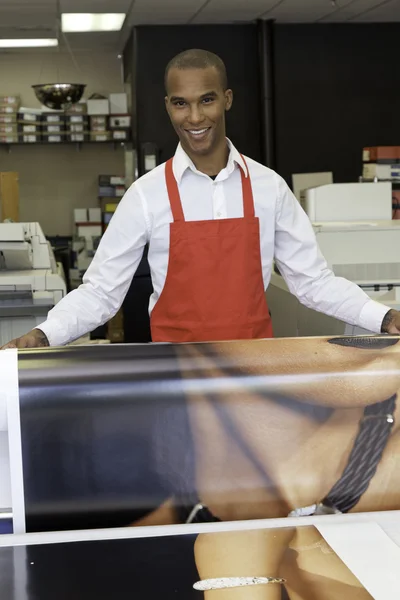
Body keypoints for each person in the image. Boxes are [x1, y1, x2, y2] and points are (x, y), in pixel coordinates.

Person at [2, 49, 400, 350]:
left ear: (226, 99)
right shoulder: (146, 195)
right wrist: (43, 334)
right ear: (168, 106)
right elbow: (102, 292)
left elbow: (313, 282)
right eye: (181, 103)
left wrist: (383, 317)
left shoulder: (269, 187)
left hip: (257, 368)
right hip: (176, 375)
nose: (194, 117)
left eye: (206, 100)